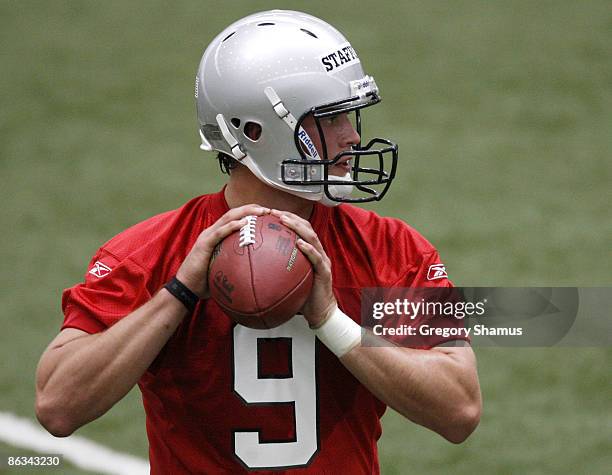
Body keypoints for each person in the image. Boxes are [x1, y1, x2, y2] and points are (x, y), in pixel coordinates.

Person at [35, 10, 481, 474]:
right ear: (255, 132)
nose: (351, 137)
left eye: (350, 116)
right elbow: (58, 405)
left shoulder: (392, 249)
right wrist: (179, 293)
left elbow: (459, 409)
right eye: (329, 120)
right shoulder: (151, 254)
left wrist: (330, 319)